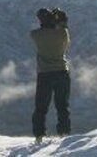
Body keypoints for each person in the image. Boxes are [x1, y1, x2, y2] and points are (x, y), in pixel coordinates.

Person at [30, 8, 71, 143]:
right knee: (62, 106)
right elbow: (65, 34)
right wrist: (61, 22)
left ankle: (39, 135)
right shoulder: (62, 34)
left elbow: (39, 31)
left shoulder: (36, 35)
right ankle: (64, 134)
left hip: (44, 74)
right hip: (62, 72)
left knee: (41, 107)